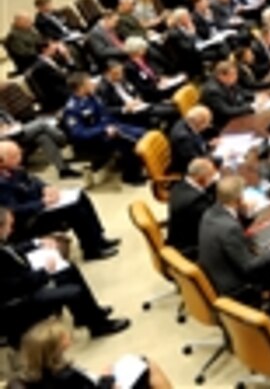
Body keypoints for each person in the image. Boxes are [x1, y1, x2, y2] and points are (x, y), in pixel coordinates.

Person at [0, 207, 129, 340]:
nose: (12, 229)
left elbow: (11, 251)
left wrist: (37, 242)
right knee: (74, 291)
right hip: (16, 303)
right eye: (9, 226)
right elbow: (12, 286)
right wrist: (44, 272)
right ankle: (98, 326)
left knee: (68, 269)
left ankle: (88, 316)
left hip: (23, 280)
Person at [0, 141, 119, 260]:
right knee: (74, 209)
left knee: (80, 196)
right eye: (14, 156)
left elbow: (34, 180)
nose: (20, 158)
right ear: (2, 161)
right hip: (29, 220)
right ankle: (91, 250)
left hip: (43, 204)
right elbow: (13, 210)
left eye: (19, 154)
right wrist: (42, 203)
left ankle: (99, 238)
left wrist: (46, 187)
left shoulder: (15, 169)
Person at [9, 318, 170, 388]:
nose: (68, 336)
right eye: (62, 337)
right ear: (54, 347)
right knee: (148, 365)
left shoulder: (32, 375)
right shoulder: (66, 376)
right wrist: (107, 378)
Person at [61, 73, 146, 185]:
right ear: (81, 87)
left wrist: (115, 123)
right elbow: (79, 133)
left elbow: (105, 113)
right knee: (128, 141)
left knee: (143, 133)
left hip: (110, 128)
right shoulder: (72, 108)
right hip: (93, 139)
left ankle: (143, 165)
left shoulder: (92, 96)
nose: (93, 84)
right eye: (89, 82)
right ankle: (130, 176)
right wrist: (103, 130)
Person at [197, 176, 269, 303]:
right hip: (236, 288)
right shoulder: (230, 229)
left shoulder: (209, 213)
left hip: (216, 275)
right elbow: (248, 267)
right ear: (239, 199)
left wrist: (246, 215)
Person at [0, 105, 78, 178]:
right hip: (6, 139)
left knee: (42, 137)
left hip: (16, 131)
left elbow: (9, 120)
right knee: (41, 124)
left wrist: (11, 125)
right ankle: (63, 140)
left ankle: (63, 169)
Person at [166, 158, 217, 259]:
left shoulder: (179, 185)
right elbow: (215, 222)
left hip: (179, 238)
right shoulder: (195, 203)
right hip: (191, 249)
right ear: (201, 178)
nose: (214, 178)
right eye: (212, 175)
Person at [200, 62, 255, 132]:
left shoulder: (227, 82)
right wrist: (251, 107)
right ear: (221, 76)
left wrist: (256, 97)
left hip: (233, 117)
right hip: (222, 125)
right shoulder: (212, 91)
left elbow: (241, 92)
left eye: (236, 74)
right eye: (233, 74)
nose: (236, 77)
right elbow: (227, 112)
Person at [167, 106, 213, 175]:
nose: (207, 126)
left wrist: (208, 145)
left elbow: (196, 143)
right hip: (189, 171)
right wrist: (219, 160)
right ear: (200, 122)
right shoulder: (184, 139)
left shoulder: (186, 122)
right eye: (207, 123)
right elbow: (196, 162)